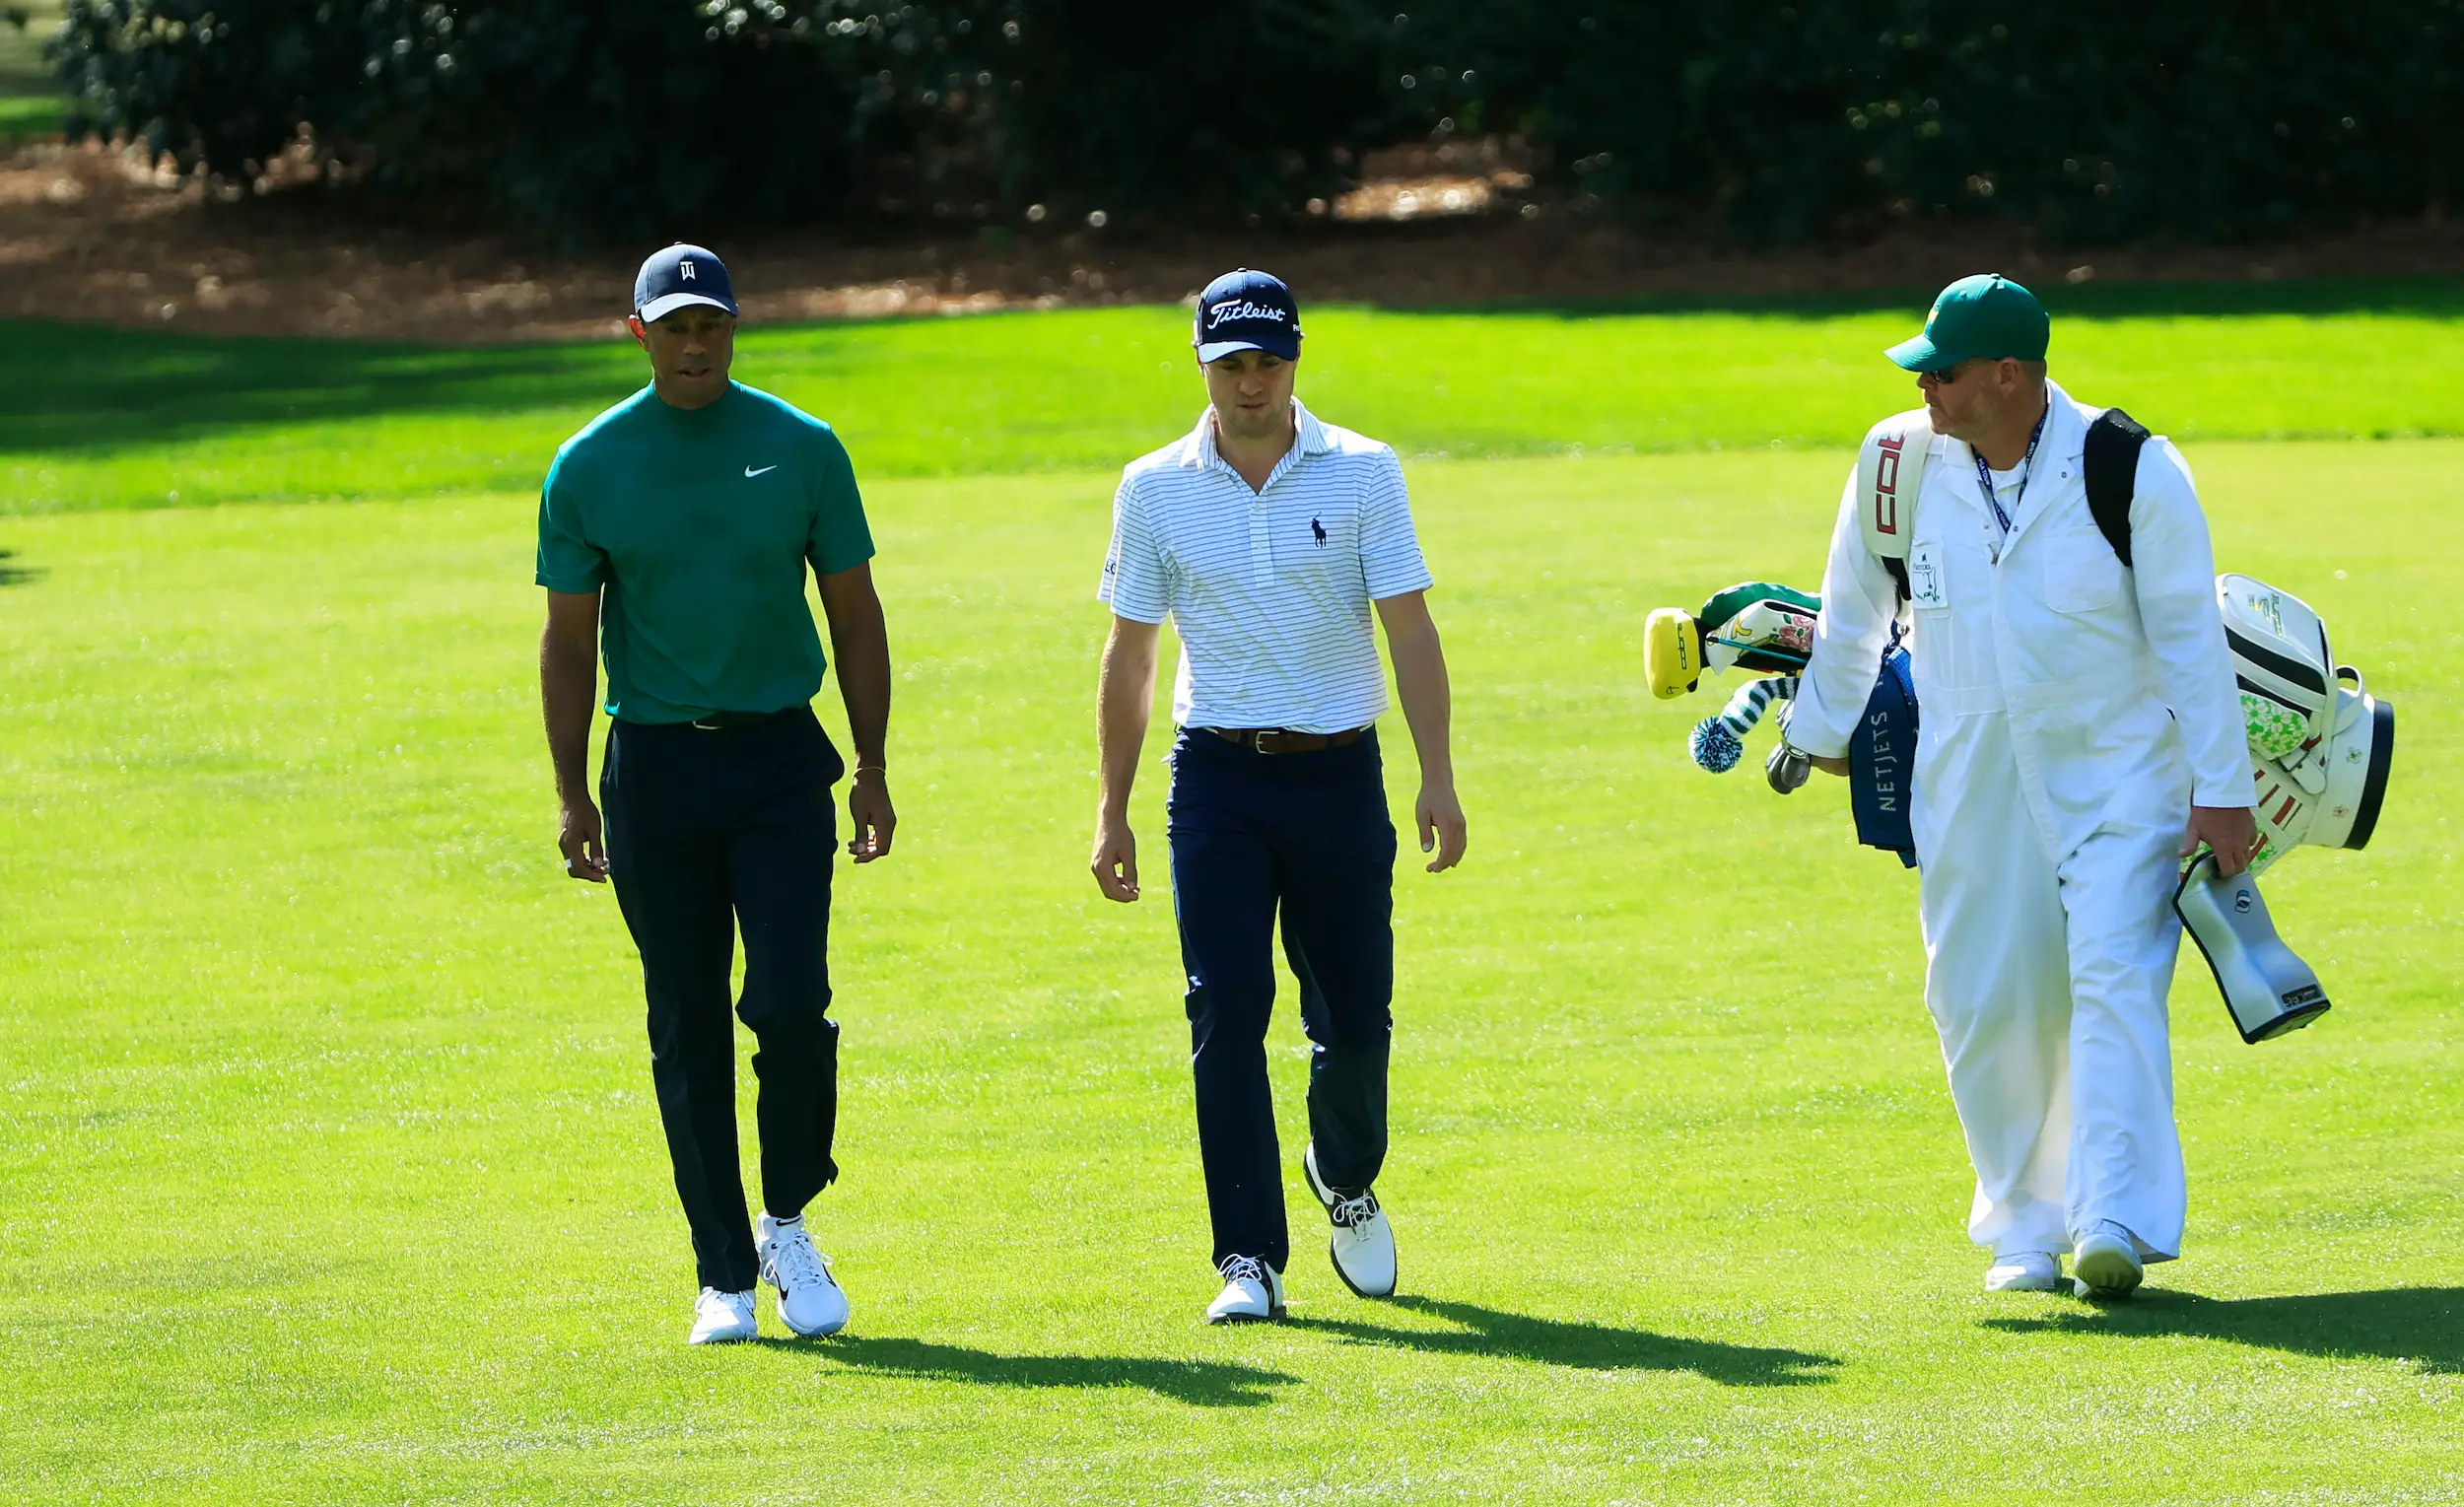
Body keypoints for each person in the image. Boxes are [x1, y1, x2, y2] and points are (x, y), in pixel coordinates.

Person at [1785, 273, 2257, 1297]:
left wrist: (2222, 790)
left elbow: (2189, 643)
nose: (1926, 389)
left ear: (2010, 375)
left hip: (2119, 770)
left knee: (2112, 984)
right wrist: (1814, 734)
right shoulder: (1894, 462)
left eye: (1942, 372)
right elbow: (1851, 614)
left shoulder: (2134, 467)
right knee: (1982, 1002)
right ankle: (2023, 1229)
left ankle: (2115, 1221)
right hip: (1966, 775)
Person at [1089, 269, 1469, 1324]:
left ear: (1295, 359)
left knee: (1352, 1020)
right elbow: (1129, 656)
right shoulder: (1153, 486)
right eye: (1230, 363)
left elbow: (1410, 630)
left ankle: (1344, 1177)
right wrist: (1111, 806)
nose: (1250, 382)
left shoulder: (1361, 472)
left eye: (1267, 360)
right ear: (1202, 364)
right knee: (1225, 1008)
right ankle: (1248, 1255)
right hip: (1213, 778)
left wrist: (1435, 774)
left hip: (1339, 773)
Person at [536, 243, 897, 1344]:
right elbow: (567, 644)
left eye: (712, 327)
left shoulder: (801, 449)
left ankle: (786, 1213)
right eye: (675, 328)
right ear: (637, 333)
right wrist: (570, 793)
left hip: (781, 759)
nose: (696, 346)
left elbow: (855, 616)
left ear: (735, 330)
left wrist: (873, 764)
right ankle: (723, 1270)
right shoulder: (590, 463)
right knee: (684, 1015)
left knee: (791, 1000)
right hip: (652, 765)